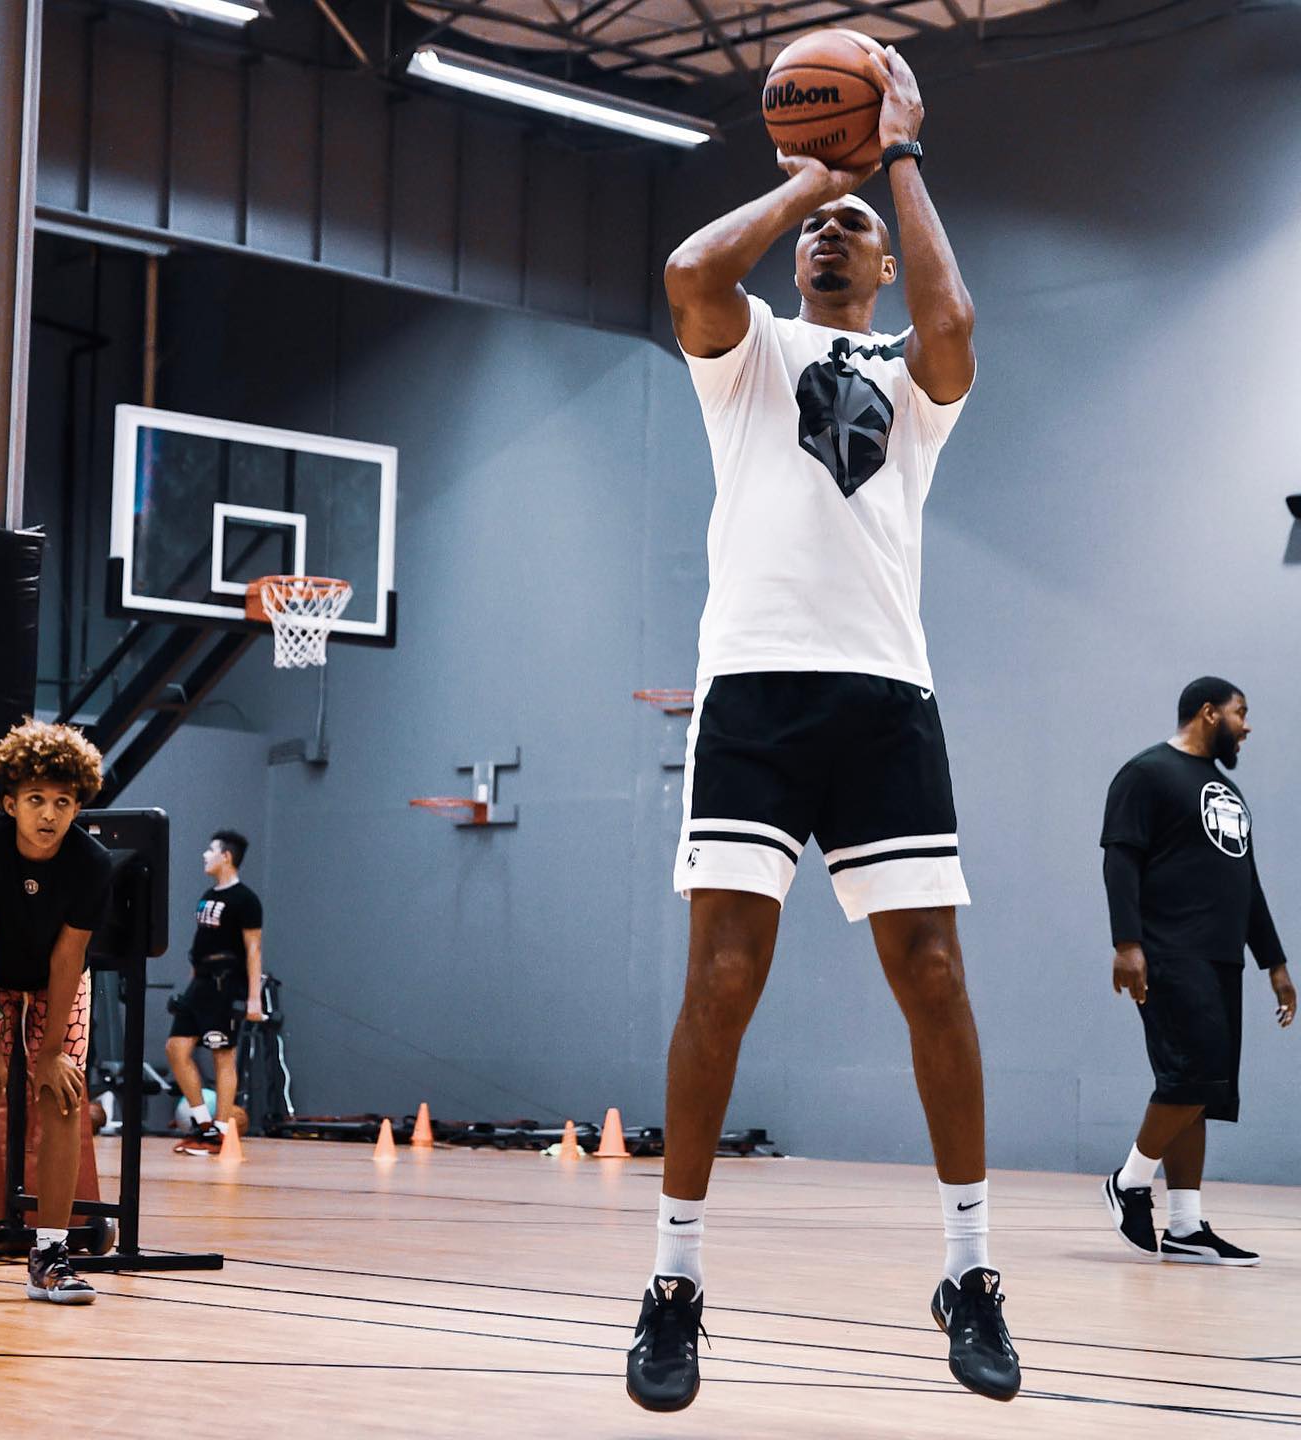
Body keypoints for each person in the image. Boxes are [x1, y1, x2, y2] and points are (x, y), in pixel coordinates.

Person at [625, 46, 1020, 1413]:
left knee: (937, 979)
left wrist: (895, 161)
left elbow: (960, 322)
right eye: (820, 231)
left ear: (886, 255)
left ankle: (970, 1270)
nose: (836, 236)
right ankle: (672, 1283)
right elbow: (688, 272)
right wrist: (810, 175)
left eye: (858, 227)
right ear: (796, 252)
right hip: (756, 691)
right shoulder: (748, 355)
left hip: (882, 698)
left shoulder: (915, 375)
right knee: (723, 978)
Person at [1101, 677, 1295, 1264]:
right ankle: (1129, 1180)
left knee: (1203, 1090)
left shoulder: (1227, 792)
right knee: (1192, 1075)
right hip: (1168, 951)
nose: (1248, 725)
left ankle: (1185, 1226)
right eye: (1242, 713)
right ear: (1209, 713)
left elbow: (1248, 884)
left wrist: (1276, 963)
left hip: (1220, 957)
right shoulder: (1146, 773)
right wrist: (1127, 944)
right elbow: (1120, 856)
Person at [0, 719, 111, 1306]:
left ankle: (51, 1256)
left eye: (63, 801)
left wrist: (52, 1052)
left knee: (61, 1097)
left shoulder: (91, 863)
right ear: (10, 802)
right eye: (36, 799)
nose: (49, 813)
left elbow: (68, 956)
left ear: (77, 805)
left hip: (58, 984)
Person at [166, 831, 264, 1155]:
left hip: (226, 984)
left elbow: (253, 950)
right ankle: (202, 1123)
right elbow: (200, 945)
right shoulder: (207, 896)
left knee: (223, 1055)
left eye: (211, 850)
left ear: (226, 857)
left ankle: (221, 1130)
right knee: (176, 1049)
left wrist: (253, 998)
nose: (205, 855)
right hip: (201, 983)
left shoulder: (246, 900)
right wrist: (191, 984)